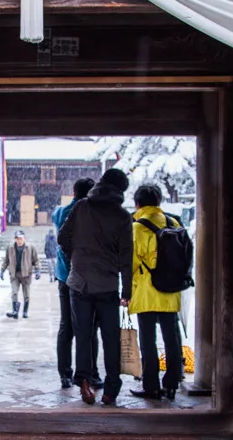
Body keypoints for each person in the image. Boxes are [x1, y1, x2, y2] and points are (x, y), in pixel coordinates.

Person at [58, 168, 133, 405]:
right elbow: (126, 257)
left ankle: (84, 383)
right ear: (121, 190)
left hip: (79, 283)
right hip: (108, 285)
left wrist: (76, 258)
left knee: (83, 336)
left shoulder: (81, 207)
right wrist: (127, 291)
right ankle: (111, 388)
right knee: (111, 337)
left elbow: (63, 238)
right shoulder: (122, 216)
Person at [128, 184, 183, 401]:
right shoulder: (174, 223)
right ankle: (171, 383)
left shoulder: (137, 228)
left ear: (137, 203)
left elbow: (131, 263)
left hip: (147, 292)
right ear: (159, 201)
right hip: (171, 290)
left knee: (148, 339)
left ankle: (151, 385)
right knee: (172, 337)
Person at [52, 178, 101, 390]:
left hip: (65, 275)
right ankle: (92, 372)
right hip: (87, 276)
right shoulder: (91, 213)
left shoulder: (62, 212)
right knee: (89, 327)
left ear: (73, 191)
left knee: (67, 326)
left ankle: (65, 373)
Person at [0, 230, 40, 319]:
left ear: (24, 238)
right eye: (17, 239)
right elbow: (6, 260)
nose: (19, 241)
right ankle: (15, 311)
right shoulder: (10, 247)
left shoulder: (30, 247)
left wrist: (38, 270)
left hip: (26, 275)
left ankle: (25, 311)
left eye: (21, 238)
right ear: (15, 239)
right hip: (15, 274)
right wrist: (2, 270)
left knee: (27, 295)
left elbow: (36, 260)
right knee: (14, 293)